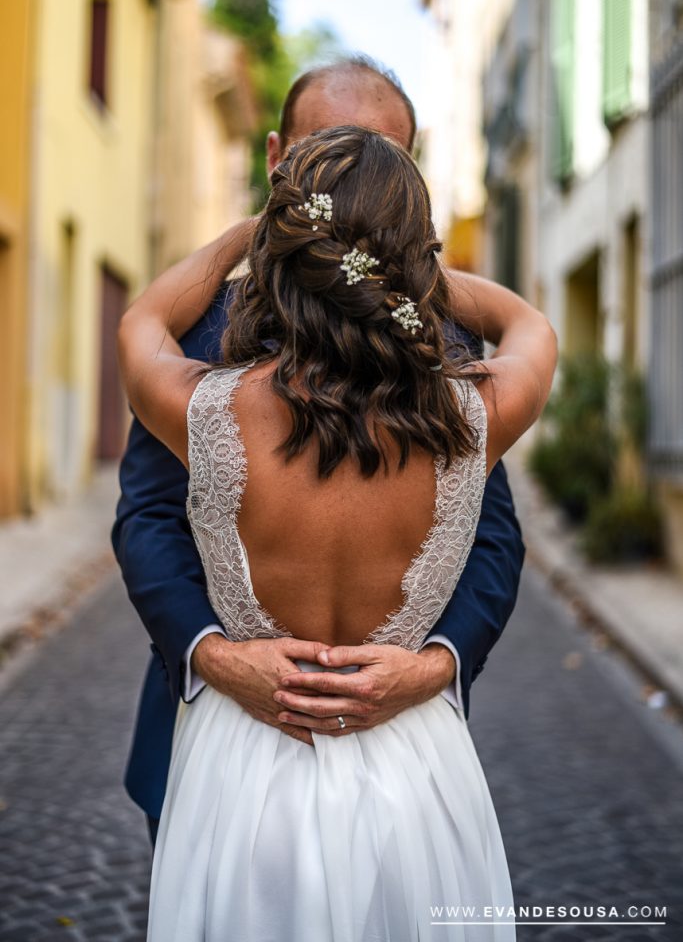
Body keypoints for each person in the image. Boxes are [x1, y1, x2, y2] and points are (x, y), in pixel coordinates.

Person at [117, 124, 557, 940]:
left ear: (282, 255)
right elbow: (528, 322)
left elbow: (143, 317)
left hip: (240, 768)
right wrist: (405, 275)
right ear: (414, 262)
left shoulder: (203, 409)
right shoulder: (476, 415)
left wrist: (247, 234)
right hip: (412, 768)